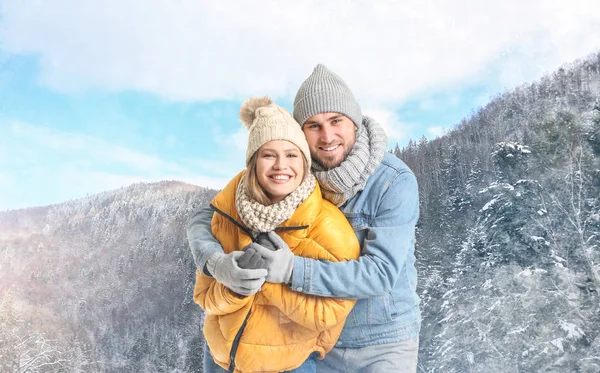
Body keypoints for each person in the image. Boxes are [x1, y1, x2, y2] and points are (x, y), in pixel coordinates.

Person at [188, 64, 421, 372]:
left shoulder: (393, 181)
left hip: (383, 342)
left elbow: (379, 273)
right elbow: (207, 218)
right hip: (316, 341)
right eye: (313, 125)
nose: (327, 136)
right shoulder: (295, 172)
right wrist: (215, 263)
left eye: (335, 121)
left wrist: (293, 270)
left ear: (354, 121)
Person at [193, 96, 361, 373]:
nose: (281, 165)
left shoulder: (328, 226)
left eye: (292, 154)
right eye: (269, 154)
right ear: (253, 163)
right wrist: (233, 287)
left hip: (289, 366)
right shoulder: (228, 216)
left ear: (305, 162)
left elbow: (331, 313)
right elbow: (204, 297)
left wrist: (269, 283)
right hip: (219, 361)